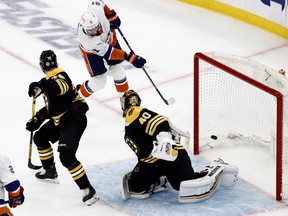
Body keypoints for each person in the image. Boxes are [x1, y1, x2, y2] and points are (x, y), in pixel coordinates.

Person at [119, 90, 239, 203]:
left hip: (172, 157)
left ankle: (215, 168)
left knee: (183, 184)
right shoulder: (131, 122)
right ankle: (162, 178)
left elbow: (160, 121)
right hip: (152, 163)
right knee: (137, 186)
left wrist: (165, 137)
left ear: (124, 105)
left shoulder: (133, 112)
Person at [25, 50, 98, 206]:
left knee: (66, 156)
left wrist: (42, 85)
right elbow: (55, 106)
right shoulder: (49, 79)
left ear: (41, 66)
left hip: (73, 119)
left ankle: (87, 189)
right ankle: (49, 171)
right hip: (63, 119)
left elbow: (61, 88)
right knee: (40, 137)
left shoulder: (59, 75)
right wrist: (38, 118)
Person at [77, 0, 146, 98]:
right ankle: (78, 96)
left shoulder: (95, 10)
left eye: (96, 27)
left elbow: (97, 2)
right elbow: (110, 52)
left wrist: (111, 15)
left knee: (118, 70)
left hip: (110, 39)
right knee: (99, 82)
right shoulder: (88, 42)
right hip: (92, 53)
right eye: (91, 30)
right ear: (85, 29)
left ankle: (125, 101)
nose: (95, 31)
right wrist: (130, 58)